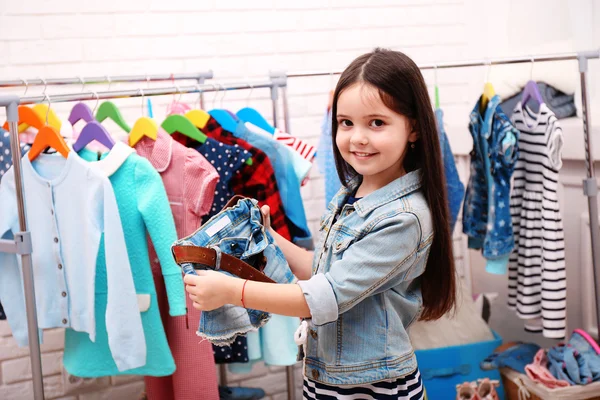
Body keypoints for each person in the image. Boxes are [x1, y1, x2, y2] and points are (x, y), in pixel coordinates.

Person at [184, 48, 457, 400]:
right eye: (346, 123)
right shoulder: (350, 194)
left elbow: (322, 297)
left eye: (376, 123)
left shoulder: (404, 219)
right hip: (327, 379)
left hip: (374, 387)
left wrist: (230, 291)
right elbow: (324, 271)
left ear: (414, 128)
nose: (357, 137)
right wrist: (269, 237)